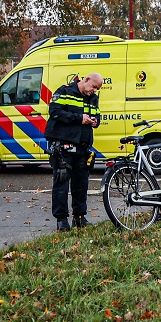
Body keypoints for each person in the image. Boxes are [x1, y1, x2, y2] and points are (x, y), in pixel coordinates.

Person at [44, 72, 103, 231]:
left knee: (81, 184)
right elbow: (55, 112)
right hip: (64, 145)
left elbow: (97, 115)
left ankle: (79, 217)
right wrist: (79, 118)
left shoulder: (93, 98)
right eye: (93, 86)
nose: (94, 91)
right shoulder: (64, 91)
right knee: (62, 183)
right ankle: (62, 220)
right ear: (86, 80)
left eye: (97, 89)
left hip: (83, 147)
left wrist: (95, 121)